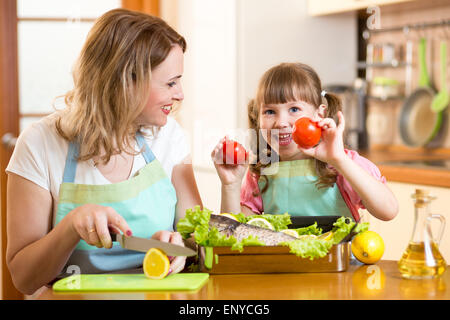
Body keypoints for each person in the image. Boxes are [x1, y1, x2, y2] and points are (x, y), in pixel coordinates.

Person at [6, 8, 202, 295]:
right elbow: (22, 278)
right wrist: (71, 227)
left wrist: (177, 247)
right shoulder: (39, 143)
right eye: (171, 82)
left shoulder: (169, 137)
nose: (180, 94)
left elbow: (198, 243)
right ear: (126, 82)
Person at [211, 62, 398, 222]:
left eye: (294, 109)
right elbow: (235, 237)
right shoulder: (261, 171)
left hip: (339, 263)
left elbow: (388, 211)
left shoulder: (343, 163)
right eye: (269, 111)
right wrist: (230, 186)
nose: (281, 122)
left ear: (319, 114)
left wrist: (339, 160)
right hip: (281, 265)